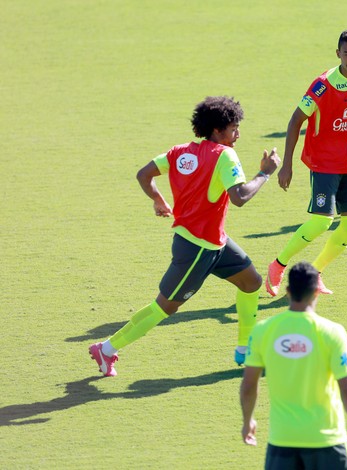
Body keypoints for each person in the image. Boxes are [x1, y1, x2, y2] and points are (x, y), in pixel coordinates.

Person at [88, 96, 281, 376]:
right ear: (217, 129)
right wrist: (264, 173)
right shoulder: (224, 155)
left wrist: (157, 199)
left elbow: (144, 174)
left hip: (214, 241)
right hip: (197, 249)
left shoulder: (179, 152)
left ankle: (246, 349)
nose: (238, 134)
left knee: (251, 282)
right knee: (165, 307)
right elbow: (238, 197)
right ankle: (106, 349)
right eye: (234, 128)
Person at [266, 29, 347, 297]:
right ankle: (278, 265)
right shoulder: (323, 85)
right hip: (325, 163)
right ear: (338, 54)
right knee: (321, 222)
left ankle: (315, 273)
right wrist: (287, 165)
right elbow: (295, 120)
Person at [240, 262, 347, 470]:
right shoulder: (332, 333)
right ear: (316, 292)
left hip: (282, 442)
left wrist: (248, 421)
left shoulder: (262, 331)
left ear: (287, 292)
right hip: (327, 441)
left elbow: (249, 386)